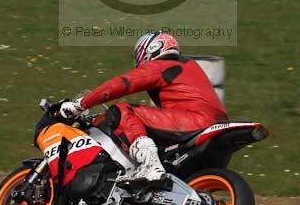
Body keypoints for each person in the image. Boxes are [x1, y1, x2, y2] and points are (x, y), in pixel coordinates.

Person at [60, 30, 228, 184]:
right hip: (215, 129)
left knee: (122, 111)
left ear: (151, 49)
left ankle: (150, 165)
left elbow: (123, 83)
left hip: (194, 121)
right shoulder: (190, 66)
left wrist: (81, 104)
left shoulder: (161, 66)